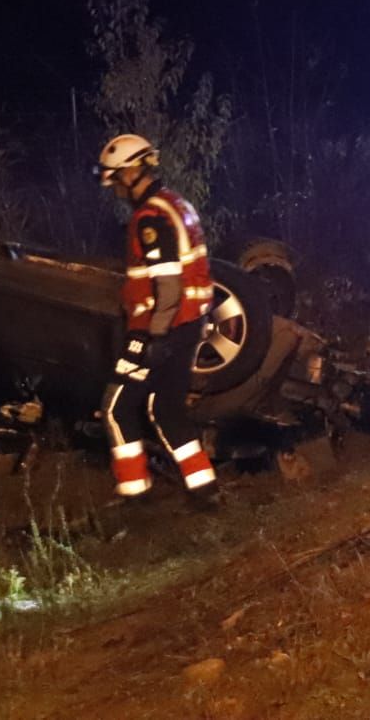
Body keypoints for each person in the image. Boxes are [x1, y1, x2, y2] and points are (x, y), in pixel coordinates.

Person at [94, 133, 218, 501]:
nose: (115, 188)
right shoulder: (176, 204)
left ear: (132, 173)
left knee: (115, 408)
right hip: (189, 324)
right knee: (165, 409)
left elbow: (167, 286)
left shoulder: (150, 218)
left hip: (160, 329)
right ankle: (204, 488)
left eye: (116, 178)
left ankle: (134, 493)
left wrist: (153, 339)